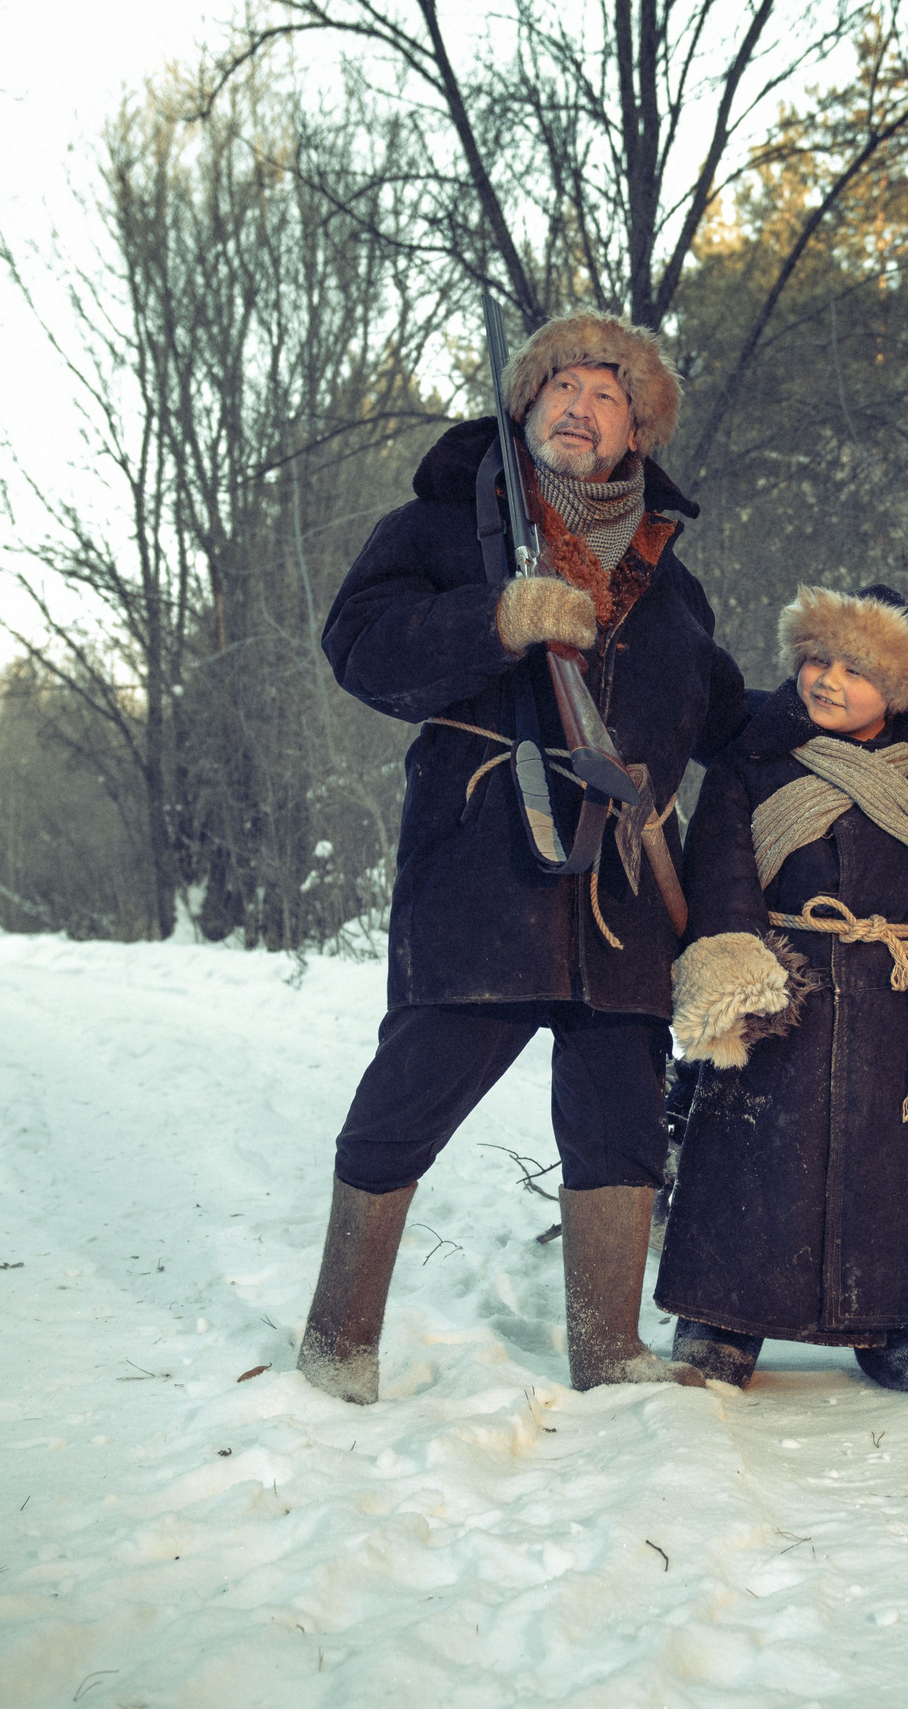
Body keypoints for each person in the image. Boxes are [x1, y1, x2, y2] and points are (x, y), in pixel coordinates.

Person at [297, 312, 751, 1404]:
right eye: (559, 388)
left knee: (620, 1120)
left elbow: (733, 724)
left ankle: (609, 1352)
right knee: (407, 1097)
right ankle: (337, 1339)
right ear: (526, 404)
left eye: (604, 394)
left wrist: (869, 715)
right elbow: (358, 646)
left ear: (637, 427)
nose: (577, 407)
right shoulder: (448, 526)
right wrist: (493, 619)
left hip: (625, 890)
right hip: (481, 869)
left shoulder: (673, 584)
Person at [656, 585, 908, 1390]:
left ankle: (894, 1320)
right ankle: (722, 1315)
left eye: (854, 668)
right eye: (816, 659)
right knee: (749, 1157)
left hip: (906, 1002)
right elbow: (720, 861)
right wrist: (733, 966)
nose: (827, 678)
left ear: (902, 690)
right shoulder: (752, 766)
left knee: (899, 1169)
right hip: (781, 988)